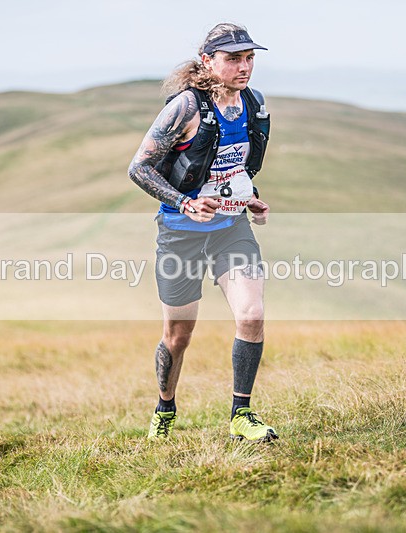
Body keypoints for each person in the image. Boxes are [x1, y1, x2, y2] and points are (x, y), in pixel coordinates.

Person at [128, 23, 277, 442]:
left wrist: (251, 197)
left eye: (249, 58)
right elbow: (138, 168)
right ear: (207, 61)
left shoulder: (253, 103)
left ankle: (241, 414)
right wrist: (186, 203)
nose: (244, 67)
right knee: (178, 335)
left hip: (231, 228)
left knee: (252, 315)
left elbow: (235, 169)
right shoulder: (185, 108)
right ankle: (165, 407)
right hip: (180, 233)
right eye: (233, 59)